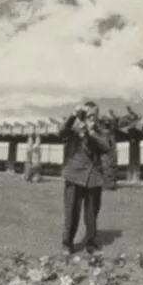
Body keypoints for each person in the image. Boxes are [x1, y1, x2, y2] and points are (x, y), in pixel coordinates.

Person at [59, 100, 113, 252]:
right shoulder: (73, 129)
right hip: (74, 175)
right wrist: (72, 116)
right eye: (88, 114)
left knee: (91, 215)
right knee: (71, 213)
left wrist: (90, 133)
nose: (92, 117)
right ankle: (67, 244)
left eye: (94, 114)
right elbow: (61, 134)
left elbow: (106, 147)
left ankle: (90, 243)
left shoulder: (101, 131)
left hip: (94, 178)